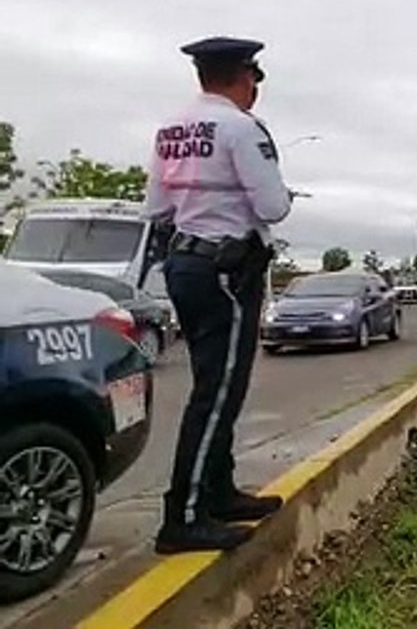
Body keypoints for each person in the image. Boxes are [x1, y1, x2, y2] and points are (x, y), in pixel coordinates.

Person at [142, 36, 293, 553]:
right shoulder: (241, 127)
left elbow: (156, 207)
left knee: (214, 385)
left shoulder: (171, 128)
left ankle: (219, 493)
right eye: (254, 79)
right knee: (218, 393)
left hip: (185, 264)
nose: (255, 89)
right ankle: (182, 517)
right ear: (243, 77)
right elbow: (272, 208)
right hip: (227, 271)